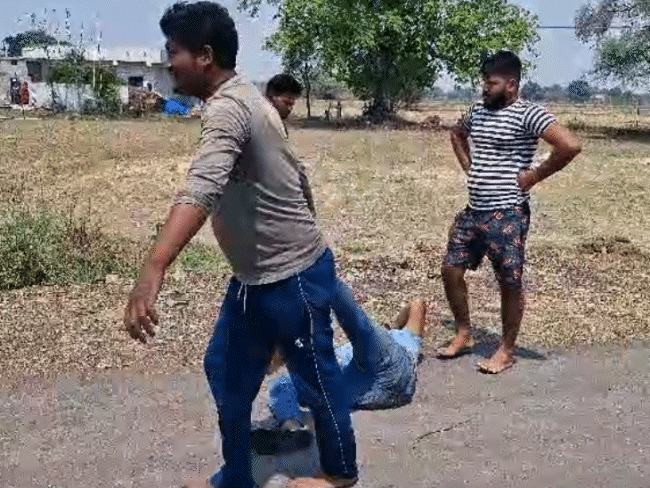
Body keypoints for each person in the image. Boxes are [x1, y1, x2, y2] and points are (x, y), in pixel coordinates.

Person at [123, 3, 359, 487]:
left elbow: (202, 187)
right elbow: (297, 176)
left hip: (292, 278)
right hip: (255, 279)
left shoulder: (231, 108)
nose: (168, 63)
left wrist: (154, 266)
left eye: (174, 51)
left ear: (205, 56)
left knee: (316, 378)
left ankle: (340, 474)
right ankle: (237, 476)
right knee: (225, 370)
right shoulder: (249, 97)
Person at [439, 51, 582, 374]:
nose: (484, 88)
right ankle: (464, 333)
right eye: (484, 82)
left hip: (507, 213)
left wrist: (534, 175)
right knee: (451, 269)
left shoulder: (529, 114)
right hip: (474, 210)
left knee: (509, 281)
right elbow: (457, 134)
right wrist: (470, 169)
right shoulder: (478, 111)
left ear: (512, 85)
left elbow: (570, 145)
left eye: (491, 83)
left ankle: (506, 350)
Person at [252, 281, 427, 456]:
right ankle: (293, 431)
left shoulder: (401, 339)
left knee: (283, 384)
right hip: (392, 381)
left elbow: (417, 304)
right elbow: (418, 304)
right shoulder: (409, 340)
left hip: (375, 371)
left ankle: (291, 426)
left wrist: (393, 327)